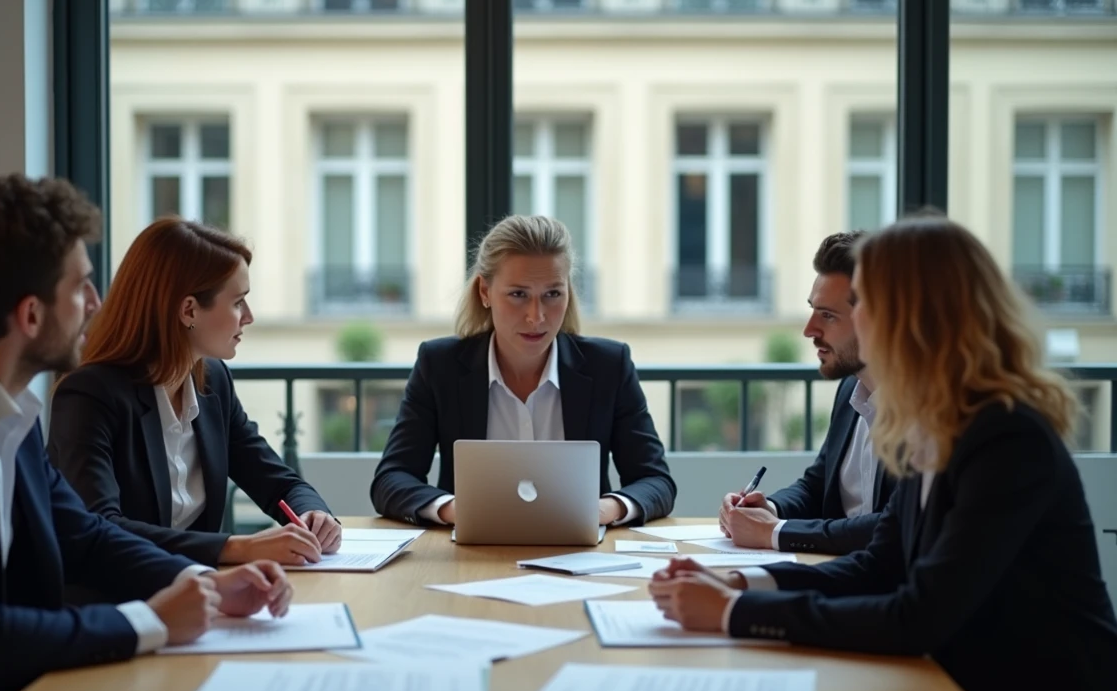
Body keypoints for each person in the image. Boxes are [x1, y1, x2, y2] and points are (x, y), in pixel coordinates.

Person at [650, 216, 1117, 691]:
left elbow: (918, 616)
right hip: (959, 690)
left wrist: (736, 613)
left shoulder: (1005, 436)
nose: (853, 319)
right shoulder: (936, 419)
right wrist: (741, 583)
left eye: (865, 301)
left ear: (915, 317)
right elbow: (880, 563)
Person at [0, 175, 293, 691]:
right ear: (32, 315)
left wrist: (206, 584)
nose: (96, 303)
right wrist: (153, 621)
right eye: (82, 286)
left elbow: (85, 534)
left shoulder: (6, 407)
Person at [48, 218, 340, 569]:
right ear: (188, 310)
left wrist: (314, 513)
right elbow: (101, 526)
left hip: (202, 594)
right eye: (238, 303)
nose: (248, 317)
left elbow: (276, 480)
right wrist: (237, 548)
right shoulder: (91, 395)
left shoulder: (213, 381)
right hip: (117, 603)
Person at [371, 214, 675, 526]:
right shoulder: (440, 365)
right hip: (471, 555)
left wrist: (603, 511)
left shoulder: (608, 366)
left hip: (581, 557)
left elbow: (656, 482)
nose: (537, 316)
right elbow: (391, 480)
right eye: (519, 295)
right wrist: (455, 510)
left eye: (552, 294)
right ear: (484, 292)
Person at [719, 231, 900, 555]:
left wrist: (775, 532)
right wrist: (770, 509)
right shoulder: (851, 390)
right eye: (812, 310)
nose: (809, 330)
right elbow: (817, 486)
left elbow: (892, 526)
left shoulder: (928, 410)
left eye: (828, 316)